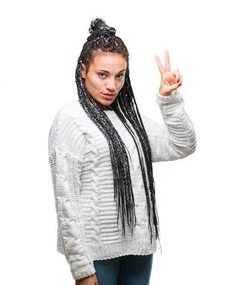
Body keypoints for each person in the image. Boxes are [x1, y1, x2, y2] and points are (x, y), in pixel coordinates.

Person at [47, 18, 196, 285]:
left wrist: (169, 99)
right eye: (102, 74)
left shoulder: (128, 119)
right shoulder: (71, 119)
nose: (111, 85)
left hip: (139, 248)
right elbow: (65, 198)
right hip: (97, 253)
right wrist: (81, 267)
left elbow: (182, 144)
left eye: (120, 76)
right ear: (83, 71)